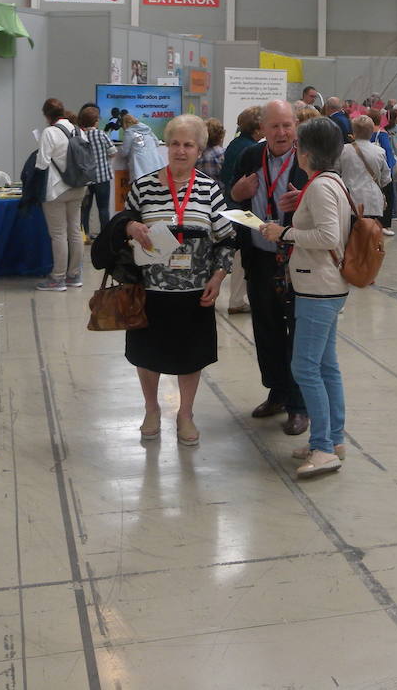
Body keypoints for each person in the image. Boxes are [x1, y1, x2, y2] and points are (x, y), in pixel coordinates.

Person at [122, 115, 234, 446]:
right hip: (149, 291)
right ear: (166, 147)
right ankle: (151, 409)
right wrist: (130, 226)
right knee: (147, 354)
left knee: (191, 356)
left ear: (199, 150)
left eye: (188, 145)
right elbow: (122, 224)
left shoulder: (210, 189)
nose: (181, 151)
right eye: (174, 144)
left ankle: (185, 414)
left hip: (195, 292)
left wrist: (219, 276)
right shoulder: (143, 187)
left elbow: (227, 239)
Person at [262, 118, 350, 478]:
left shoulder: (320, 187)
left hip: (318, 289)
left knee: (305, 367)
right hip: (325, 286)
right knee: (325, 365)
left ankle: (324, 448)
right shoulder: (328, 182)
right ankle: (332, 438)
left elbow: (328, 236)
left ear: (307, 152)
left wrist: (284, 232)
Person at [230, 100, 310, 436]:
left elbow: (333, 203)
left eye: (287, 125)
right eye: (274, 126)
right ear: (262, 129)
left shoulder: (309, 159)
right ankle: (276, 393)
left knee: (297, 333)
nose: (281, 132)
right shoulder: (250, 156)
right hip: (260, 258)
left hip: (297, 261)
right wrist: (237, 192)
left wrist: (304, 198)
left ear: (296, 126)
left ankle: (299, 405)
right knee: (266, 330)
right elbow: (230, 201)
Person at [35, 98, 87, 291]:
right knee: (75, 231)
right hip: (79, 187)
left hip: (57, 189)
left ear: (47, 115)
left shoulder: (49, 132)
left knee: (58, 234)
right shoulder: (78, 130)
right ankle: (74, 275)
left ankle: (58, 278)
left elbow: (42, 163)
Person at [218, 106, 262, 315]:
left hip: (230, 204)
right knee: (242, 254)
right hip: (242, 207)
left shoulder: (235, 144)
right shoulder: (251, 150)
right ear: (257, 127)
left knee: (238, 253)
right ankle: (236, 299)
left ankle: (236, 298)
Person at [339, 114, 392, 231]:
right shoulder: (380, 152)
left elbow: (336, 171)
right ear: (372, 131)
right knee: (370, 237)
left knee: (351, 236)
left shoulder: (343, 150)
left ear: (353, 131)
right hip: (373, 202)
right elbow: (386, 178)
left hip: (349, 202)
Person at [77, 105, 117, 241]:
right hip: (102, 177)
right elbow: (113, 152)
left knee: (85, 209)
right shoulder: (101, 134)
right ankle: (105, 236)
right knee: (103, 208)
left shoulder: (79, 136)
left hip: (86, 179)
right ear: (95, 121)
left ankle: (85, 236)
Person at [368, 107, 397, 235]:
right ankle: (385, 224)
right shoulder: (382, 133)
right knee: (388, 196)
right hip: (381, 169)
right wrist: (389, 169)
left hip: (367, 170)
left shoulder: (364, 133)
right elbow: (388, 152)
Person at [119, 111, 162, 182]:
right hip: (155, 164)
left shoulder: (129, 132)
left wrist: (119, 149)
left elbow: (124, 152)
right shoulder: (147, 129)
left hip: (140, 167)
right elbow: (157, 143)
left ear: (125, 124)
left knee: (141, 186)